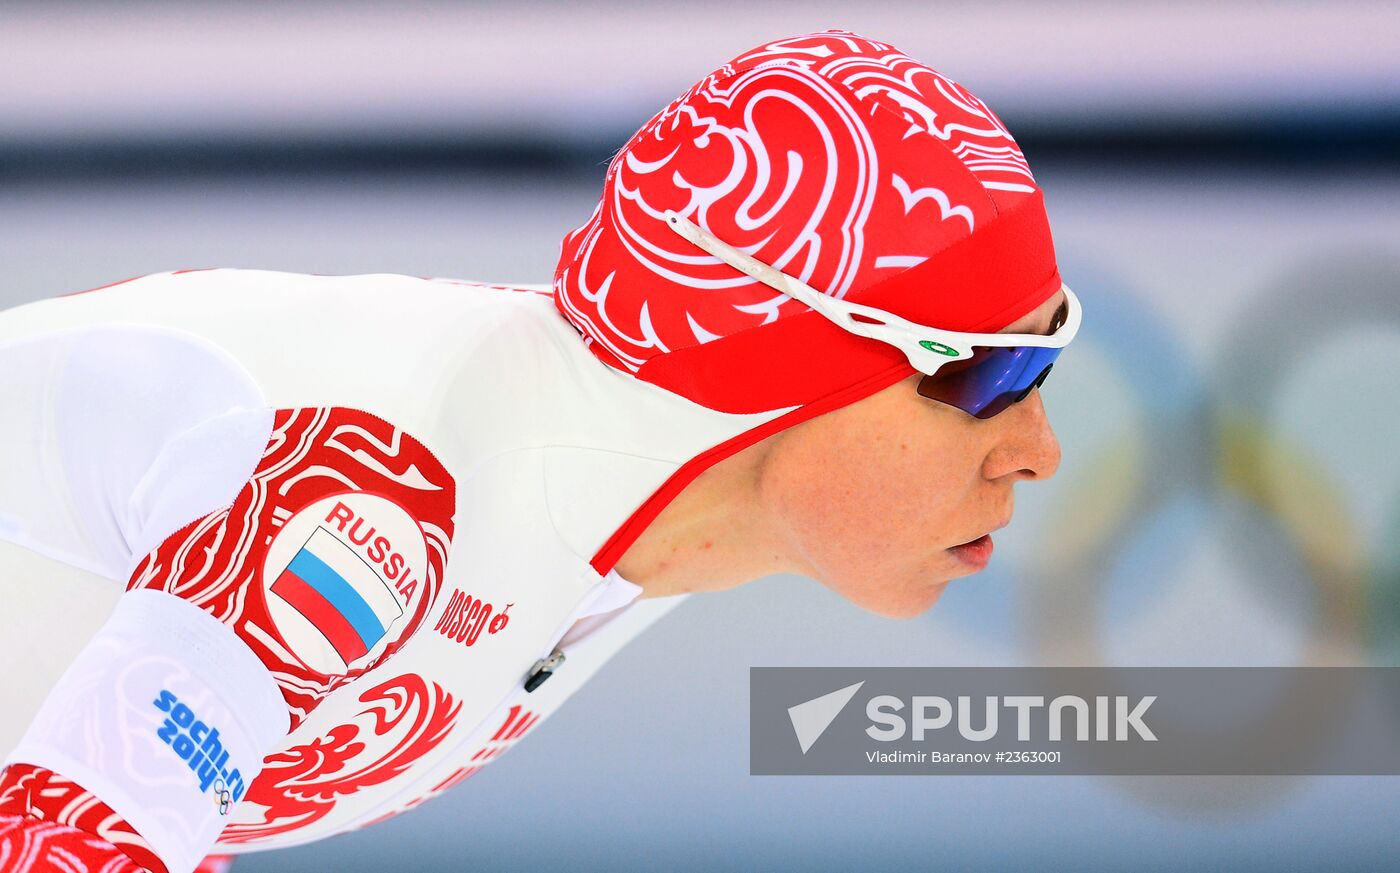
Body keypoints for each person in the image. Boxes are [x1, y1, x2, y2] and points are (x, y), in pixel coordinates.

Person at [0, 28, 1079, 873]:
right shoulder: (375, 493)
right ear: (786, 366)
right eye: (994, 377)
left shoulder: (610, 510)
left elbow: (156, 804)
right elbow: (61, 839)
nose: (1037, 450)